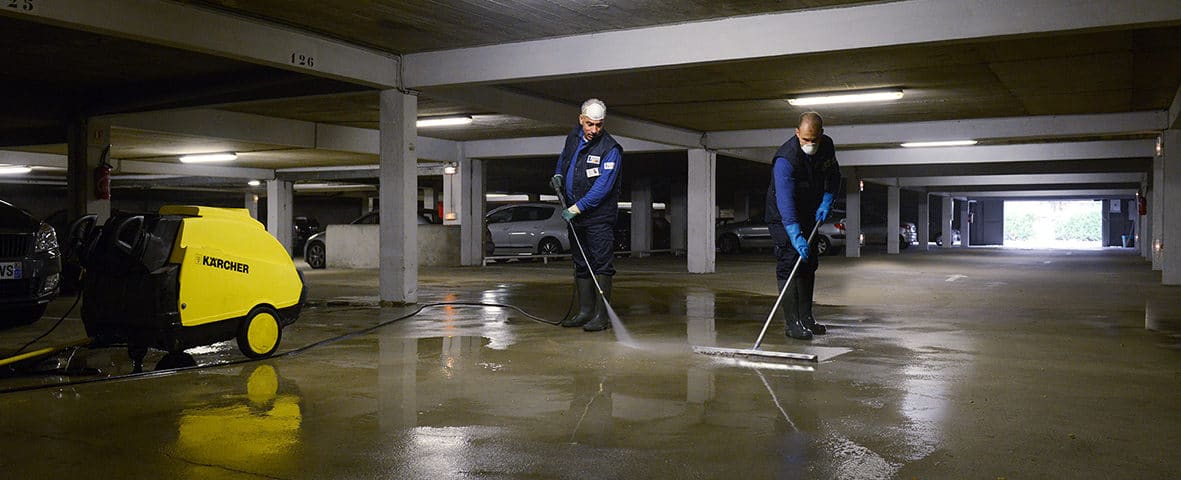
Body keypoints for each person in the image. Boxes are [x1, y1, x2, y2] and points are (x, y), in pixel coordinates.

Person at [765, 111, 840, 340]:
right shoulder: (785, 160)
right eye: (805, 139)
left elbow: (834, 176)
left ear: (821, 135)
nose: (810, 144)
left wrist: (828, 199)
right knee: (790, 263)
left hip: (810, 211)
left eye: (814, 139)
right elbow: (785, 201)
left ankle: (807, 318)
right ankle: (792, 323)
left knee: (809, 263)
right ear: (797, 133)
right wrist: (795, 234)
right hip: (782, 216)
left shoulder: (826, 146)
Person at [552, 98, 624, 332]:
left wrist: (576, 208)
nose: (594, 130)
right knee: (581, 263)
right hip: (577, 216)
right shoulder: (573, 137)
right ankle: (584, 312)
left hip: (598, 218)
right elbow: (564, 159)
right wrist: (558, 175)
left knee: (601, 265)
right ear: (581, 120)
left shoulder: (611, 149)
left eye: (599, 125)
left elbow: (603, 187)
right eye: (590, 124)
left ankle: (601, 317)